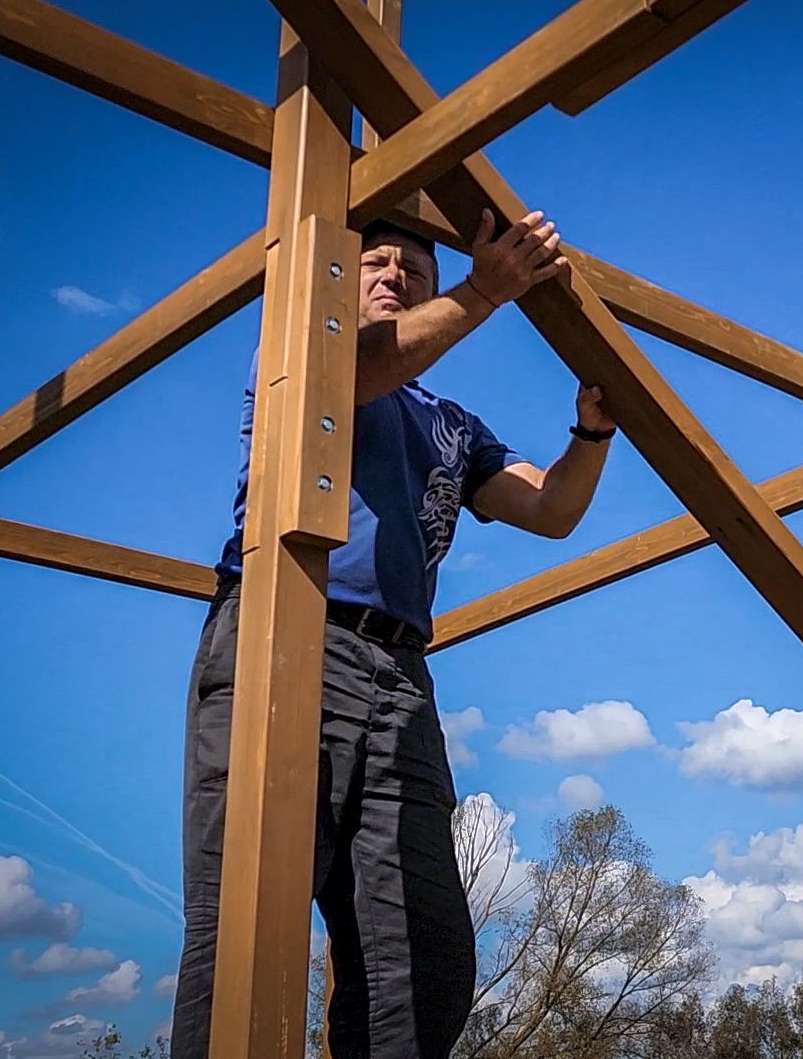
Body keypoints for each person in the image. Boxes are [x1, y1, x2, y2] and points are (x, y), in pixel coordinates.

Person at [171, 208, 614, 1057]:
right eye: (372, 263)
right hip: (285, 626)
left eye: (412, 269)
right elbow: (362, 367)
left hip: (401, 673)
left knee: (420, 946)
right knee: (246, 918)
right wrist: (485, 290)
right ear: (336, 278)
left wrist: (592, 431)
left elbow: (551, 510)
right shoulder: (305, 355)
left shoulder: (452, 422)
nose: (392, 277)